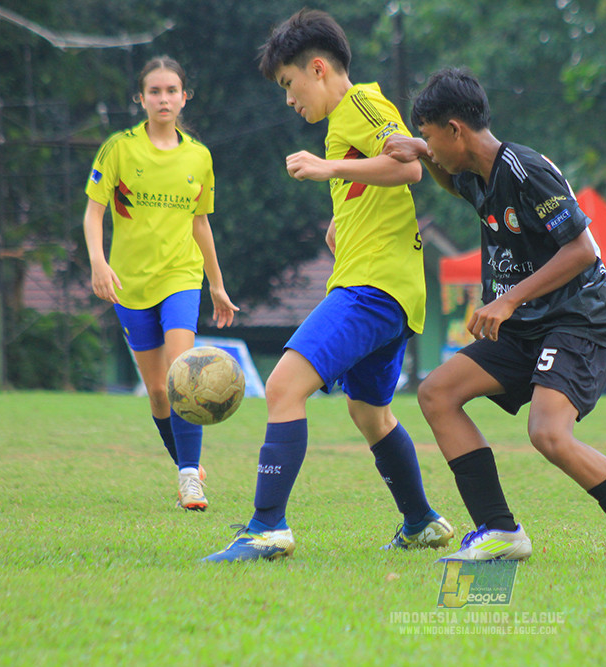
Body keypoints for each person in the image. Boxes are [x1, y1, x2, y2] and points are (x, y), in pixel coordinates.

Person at [383, 67, 606, 567]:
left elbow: (581, 250)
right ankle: (499, 531)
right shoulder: (478, 174)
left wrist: (507, 300)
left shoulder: (526, 171)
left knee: (548, 433)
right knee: (437, 393)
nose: (429, 147)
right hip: (526, 325)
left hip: (578, 318)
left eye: (430, 135)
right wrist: (422, 151)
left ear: (456, 130)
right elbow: (452, 181)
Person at [204, 9, 453, 562]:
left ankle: (267, 528)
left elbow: (409, 166)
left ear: (318, 68)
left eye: (288, 83)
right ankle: (421, 522)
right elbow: (379, 180)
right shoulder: (345, 123)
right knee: (369, 413)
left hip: (372, 287)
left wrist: (328, 169)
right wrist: (344, 222)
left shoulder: (360, 105)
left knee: (282, 387)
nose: (288, 100)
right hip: (390, 289)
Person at [83, 56, 238, 511]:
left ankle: (190, 480)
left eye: (172, 90)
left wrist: (216, 284)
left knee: (182, 374)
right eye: (155, 91)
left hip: (180, 277)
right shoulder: (119, 149)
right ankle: (186, 465)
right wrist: (98, 263)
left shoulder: (198, 156)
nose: (163, 98)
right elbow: (93, 212)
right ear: (141, 98)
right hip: (129, 283)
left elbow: (201, 223)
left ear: (184, 97)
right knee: (157, 392)